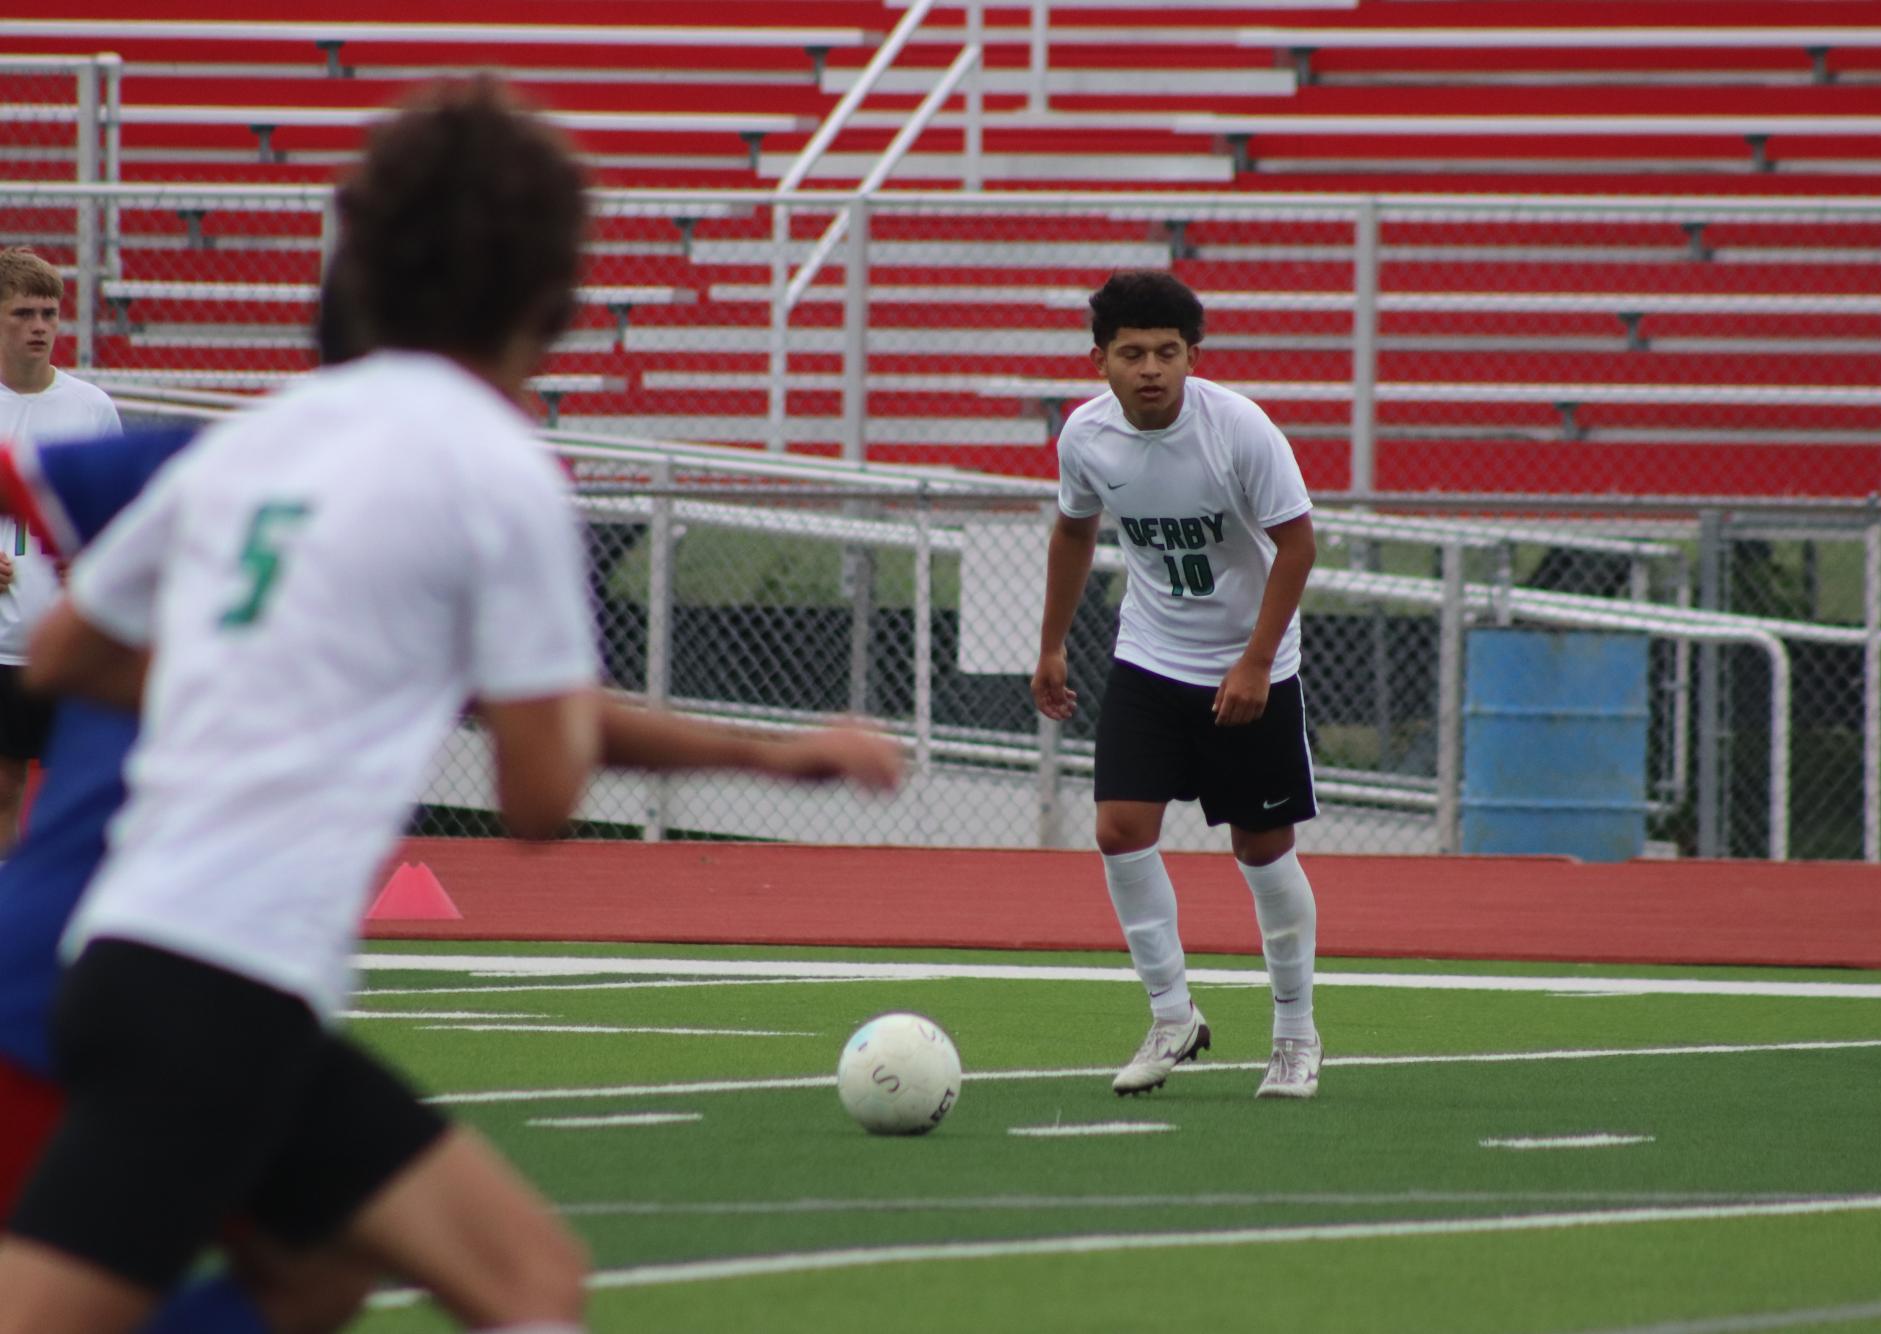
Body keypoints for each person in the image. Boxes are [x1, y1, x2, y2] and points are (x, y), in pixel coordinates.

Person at [0, 77, 871, 1334]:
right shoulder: (494, 467)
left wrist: (278, 671)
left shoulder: (270, 434)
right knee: (521, 1283)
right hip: (230, 980)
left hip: (133, 953)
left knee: (338, 1276)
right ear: (550, 291)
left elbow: (71, 647)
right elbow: (537, 794)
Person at [1031, 270, 1325, 1101]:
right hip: (1150, 654)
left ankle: (1295, 1035)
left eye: (1167, 352)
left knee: (1260, 850)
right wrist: (1050, 645)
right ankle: (1172, 1014)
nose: (1150, 368)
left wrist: (1257, 663)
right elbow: (1073, 531)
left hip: (1252, 663)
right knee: (1119, 829)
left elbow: (1297, 546)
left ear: (1193, 355)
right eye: (1131, 353)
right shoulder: (1084, 437)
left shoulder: (1239, 429)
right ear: (1099, 361)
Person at [0, 247, 121, 848]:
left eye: (49, 312)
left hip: (71, 640)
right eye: (23, 313)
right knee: (3, 785)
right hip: (1, 645)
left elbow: (116, 521)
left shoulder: (90, 408)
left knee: (82, 794)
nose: (41, 326)